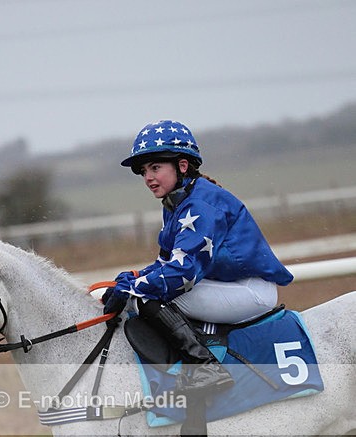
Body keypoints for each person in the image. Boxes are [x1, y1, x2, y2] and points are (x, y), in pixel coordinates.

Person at [103, 120, 294, 394]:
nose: (148, 177)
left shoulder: (200, 205)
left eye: (155, 168)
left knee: (145, 296)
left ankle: (205, 367)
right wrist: (135, 277)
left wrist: (134, 287)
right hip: (227, 285)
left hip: (251, 292)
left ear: (182, 166)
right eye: (144, 171)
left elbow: (183, 273)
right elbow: (167, 264)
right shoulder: (178, 201)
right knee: (143, 288)